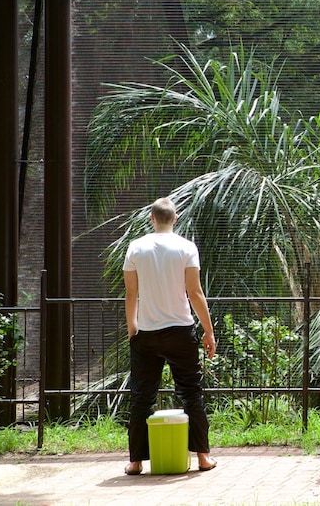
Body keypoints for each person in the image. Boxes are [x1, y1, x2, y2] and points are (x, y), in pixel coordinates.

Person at [122, 197, 217, 475]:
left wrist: (132, 329)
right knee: (191, 393)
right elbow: (195, 292)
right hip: (180, 331)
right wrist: (208, 331)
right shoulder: (187, 247)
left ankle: (136, 461)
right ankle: (202, 457)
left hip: (147, 333)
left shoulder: (136, 247)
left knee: (142, 397)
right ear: (175, 219)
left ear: (152, 218)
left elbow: (131, 293)